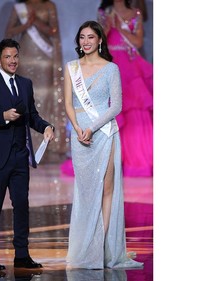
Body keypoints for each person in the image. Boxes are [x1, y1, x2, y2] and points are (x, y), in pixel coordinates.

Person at [64, 20, 143, 269]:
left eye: (90, 37)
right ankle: (84, 246)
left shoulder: (111, 69)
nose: (85, 42)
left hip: (104, 132)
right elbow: (68, 104)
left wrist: (92, 128)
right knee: (86, 191)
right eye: (82, 37)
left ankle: (100, 245)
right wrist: (78, 129)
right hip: (80, 136)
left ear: (100, 40)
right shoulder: (71, 68)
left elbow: (116, 106)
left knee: (106, 189)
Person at [0, 38, 55, 273]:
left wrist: (46, 127)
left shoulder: (25, 84)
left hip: (20, 156)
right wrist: (3, 116)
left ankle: (22, 255)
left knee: (21, 205)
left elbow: (32, 116)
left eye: (15, 56)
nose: (12, 60)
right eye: (7, 57)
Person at [5, 0, 68, 163]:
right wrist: (26, 25)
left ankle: (44, 146)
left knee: (43, 99)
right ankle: (25, 145)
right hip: (25, 58)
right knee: (25, 100)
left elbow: (54, 31)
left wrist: (36, 23)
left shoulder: (49, 6)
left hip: (44, 61)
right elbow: (9, 32)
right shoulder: (19, 7)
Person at [98, 0, 153, 177]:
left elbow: (137, 42)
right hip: (111, 62)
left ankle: (135, 160)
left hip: (130, 65)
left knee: (134, 111)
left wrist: (120, 28)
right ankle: (110, 162)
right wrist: (107, 27)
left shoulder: (135, 13)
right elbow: (98, 41)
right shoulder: (105, 12)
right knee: (110, 110)